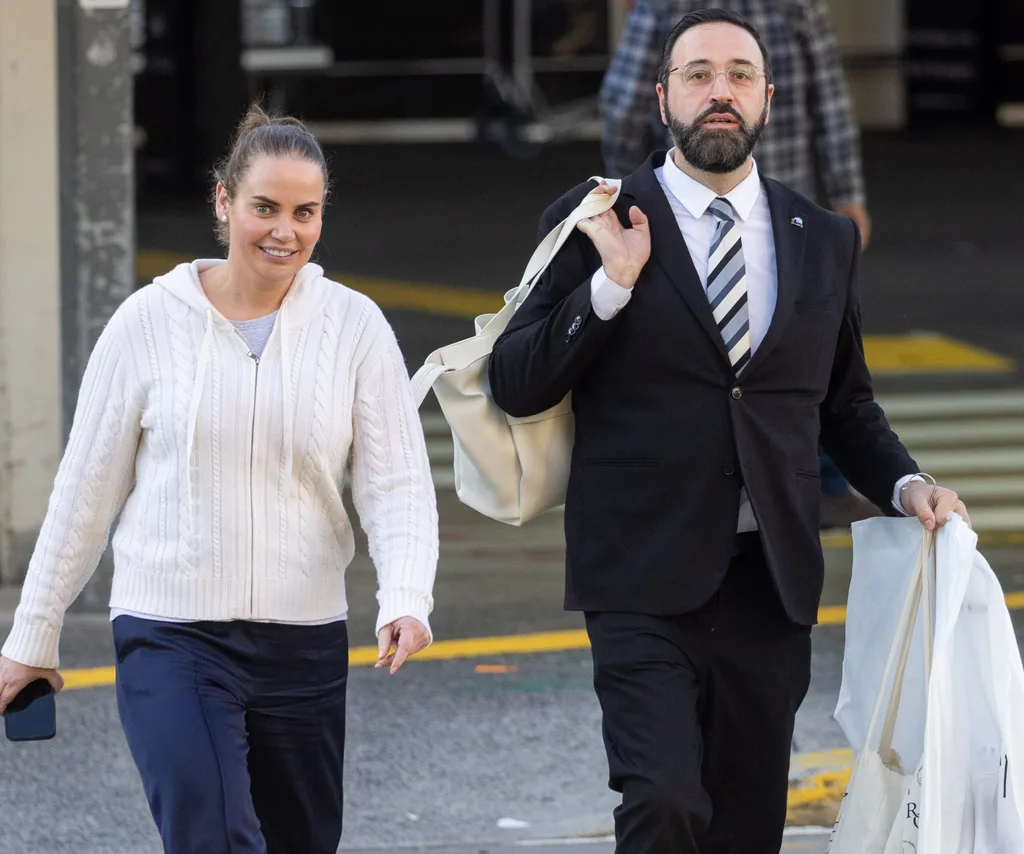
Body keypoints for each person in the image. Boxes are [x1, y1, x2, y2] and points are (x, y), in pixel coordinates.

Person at [488, 10, 969, 853]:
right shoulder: (598, 216)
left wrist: (907, 485)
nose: (721, 92)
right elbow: (517, 380)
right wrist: (610, 287)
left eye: (740, 76)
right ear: (661, 95)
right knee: (665, 801)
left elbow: (844, 405)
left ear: (768, 100)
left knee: (746, 825)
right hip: (639, 573)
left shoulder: (820, 239)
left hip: (769, 584)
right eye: (699, 74)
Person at [0, 104, 439, 854]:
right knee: (214, 837)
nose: (285, 230)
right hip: (172, 635)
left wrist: (405, 594)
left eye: (306, 212)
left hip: (303, 639)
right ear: (224, 201)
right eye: (265, 207)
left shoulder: (355, 325)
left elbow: (396, 481)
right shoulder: (146, 323)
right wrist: (33, 633)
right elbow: (84, 491)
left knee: (300, 840)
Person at [601, 0, 873, 525]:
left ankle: (809, 483)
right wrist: (846, 190)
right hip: (769, 196)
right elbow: (830, 98)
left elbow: (620, 101)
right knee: (784, 345)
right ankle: (819, 482)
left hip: (761, 205)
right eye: (700, 75)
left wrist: (625, 186)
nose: (721, 88)